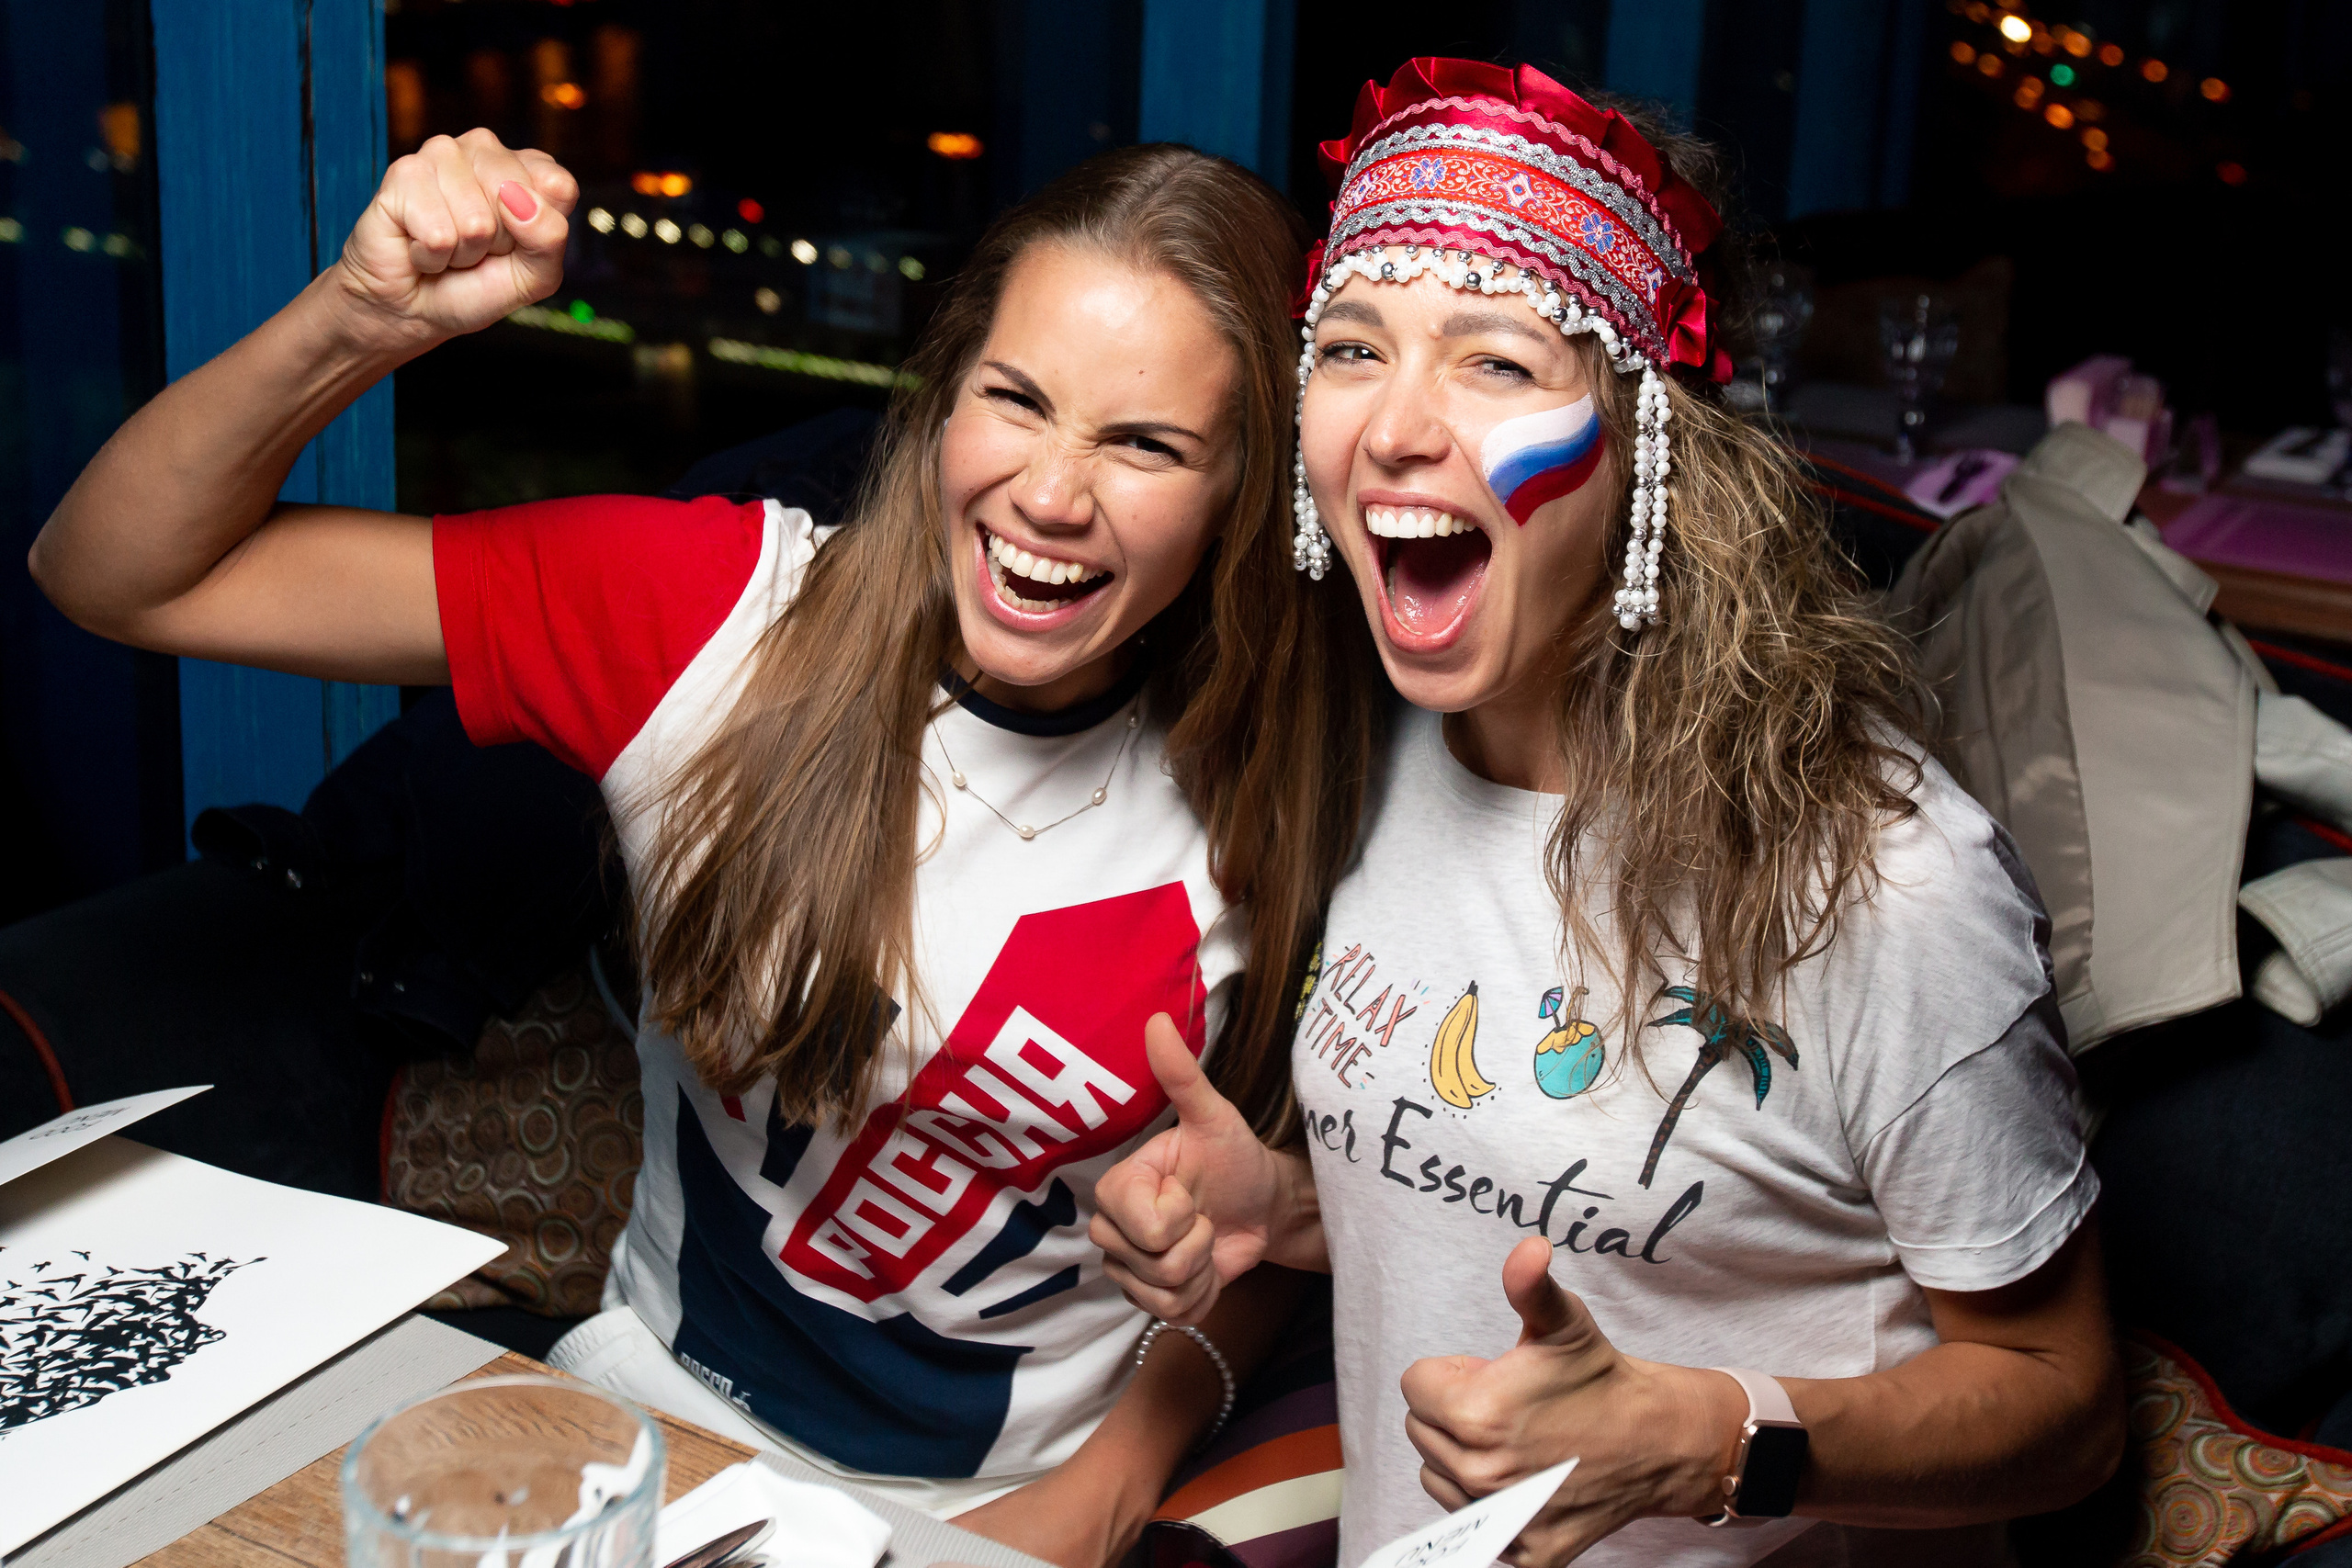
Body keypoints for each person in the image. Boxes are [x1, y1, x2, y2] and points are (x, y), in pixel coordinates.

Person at [32, 129, 1381, 1565]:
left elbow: (1273, 1213)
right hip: (650, 1442)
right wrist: (361, 321)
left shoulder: (1299, 765)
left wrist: (1104, 1495)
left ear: (1244, 490)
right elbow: (112, 572)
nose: (1052, 493)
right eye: (1017, 400)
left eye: (1146, 445)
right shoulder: (714, 625)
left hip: (1002, 1520)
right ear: (938, 404)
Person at [1091, 59, 2123, 1568]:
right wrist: (1290, 1211)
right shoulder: (1374, 762)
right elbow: (1521, 1209)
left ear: (1651, 451)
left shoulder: (1883, 880)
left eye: (1497, 363)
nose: (1392, 429)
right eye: (1356, 348)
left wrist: (1710, 1443)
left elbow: (2068, 1406)